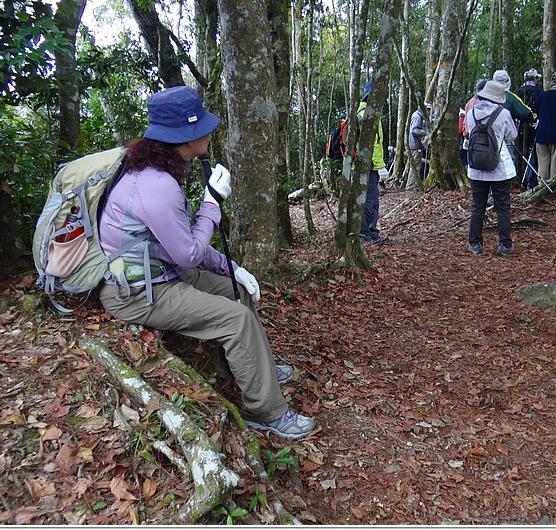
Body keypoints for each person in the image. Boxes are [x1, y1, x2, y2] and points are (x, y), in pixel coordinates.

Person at [98, 86, 315, 440]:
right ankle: (267, 412)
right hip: (135, 292)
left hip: (162, 274)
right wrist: (211, 204)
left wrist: (231, 268)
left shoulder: (153, 171)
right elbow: (187, 254)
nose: (211, 132)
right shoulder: (158, 186)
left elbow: (178, 246)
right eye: (205, 126)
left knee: (237, 291)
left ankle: (262, 370)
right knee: (237, 319)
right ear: (187, 137)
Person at [465, 80, 518, 256]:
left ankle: (475, 244)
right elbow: (512, 135)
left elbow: (468, 132)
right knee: (502, 206)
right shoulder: (503, 114)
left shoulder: (471, 113)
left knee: (477, 206)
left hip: (476, 168)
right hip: (499, 168)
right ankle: (504, 244)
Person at [358, 80, 390, 245]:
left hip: (365, 166)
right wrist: (381, 166)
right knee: (369, 201)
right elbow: (374, 145)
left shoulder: (363, 113)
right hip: (368, 166)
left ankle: (371, 233)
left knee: (371, 200)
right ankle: (366, 235)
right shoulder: (368, 116)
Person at [493, 69, 535, 176]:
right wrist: (535, 118)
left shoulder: (483, 98)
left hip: (484, 141)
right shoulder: (509, 97)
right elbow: (526, 113)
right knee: (505, 173)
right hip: (505, 142)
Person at [516, 68, 544, 189]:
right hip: (534, 125)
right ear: (535, 78)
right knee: (533, 153)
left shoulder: (518, 91)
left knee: (521, 152)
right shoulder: (540, 92)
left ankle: (519, 177)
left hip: (520, 126)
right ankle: (531, 181)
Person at [406, 102, 431, 190]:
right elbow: (414, 130)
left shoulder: (419, 116)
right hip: (415, 145)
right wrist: (426, 133)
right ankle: (410, 186)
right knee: (415, 167)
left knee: (416, 166)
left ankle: (413, 185)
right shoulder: (417, 116)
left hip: (416, 144)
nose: (429, 112)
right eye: (428, 110)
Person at [458, 107, 468, 172]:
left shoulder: (462, 116)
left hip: (462, 142)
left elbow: (460, 130)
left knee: (463, 160)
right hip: (464, 141)